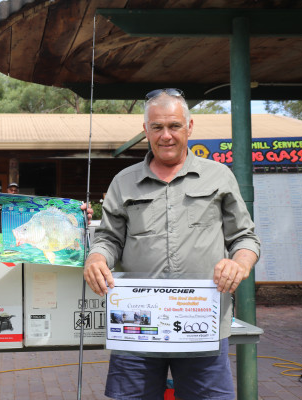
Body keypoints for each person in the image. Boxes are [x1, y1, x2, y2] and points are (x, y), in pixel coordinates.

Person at [84, 88, 260, 400]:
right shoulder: (123, 182)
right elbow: (109, 239)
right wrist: (96, 258)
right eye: (157, 127)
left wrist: (240, 263)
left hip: (201, 324)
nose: (166, 135)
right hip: (136, 324)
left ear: (189, 127)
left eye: (174, 126)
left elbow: (244, 238)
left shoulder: (219, 176)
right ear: (145, 130)